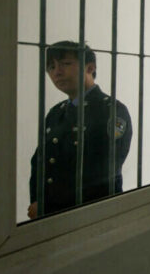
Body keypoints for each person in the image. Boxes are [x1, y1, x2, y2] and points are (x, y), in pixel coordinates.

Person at [28, 41, 132, 219]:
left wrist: (50, 206)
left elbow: (103, 171)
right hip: (52, 217)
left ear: (90, 67)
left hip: (93, 215)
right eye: (51, 67)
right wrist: (38, 202)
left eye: (66, 64)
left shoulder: (112, 110)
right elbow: (39, 162)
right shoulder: (56, 112)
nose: (57, 72)